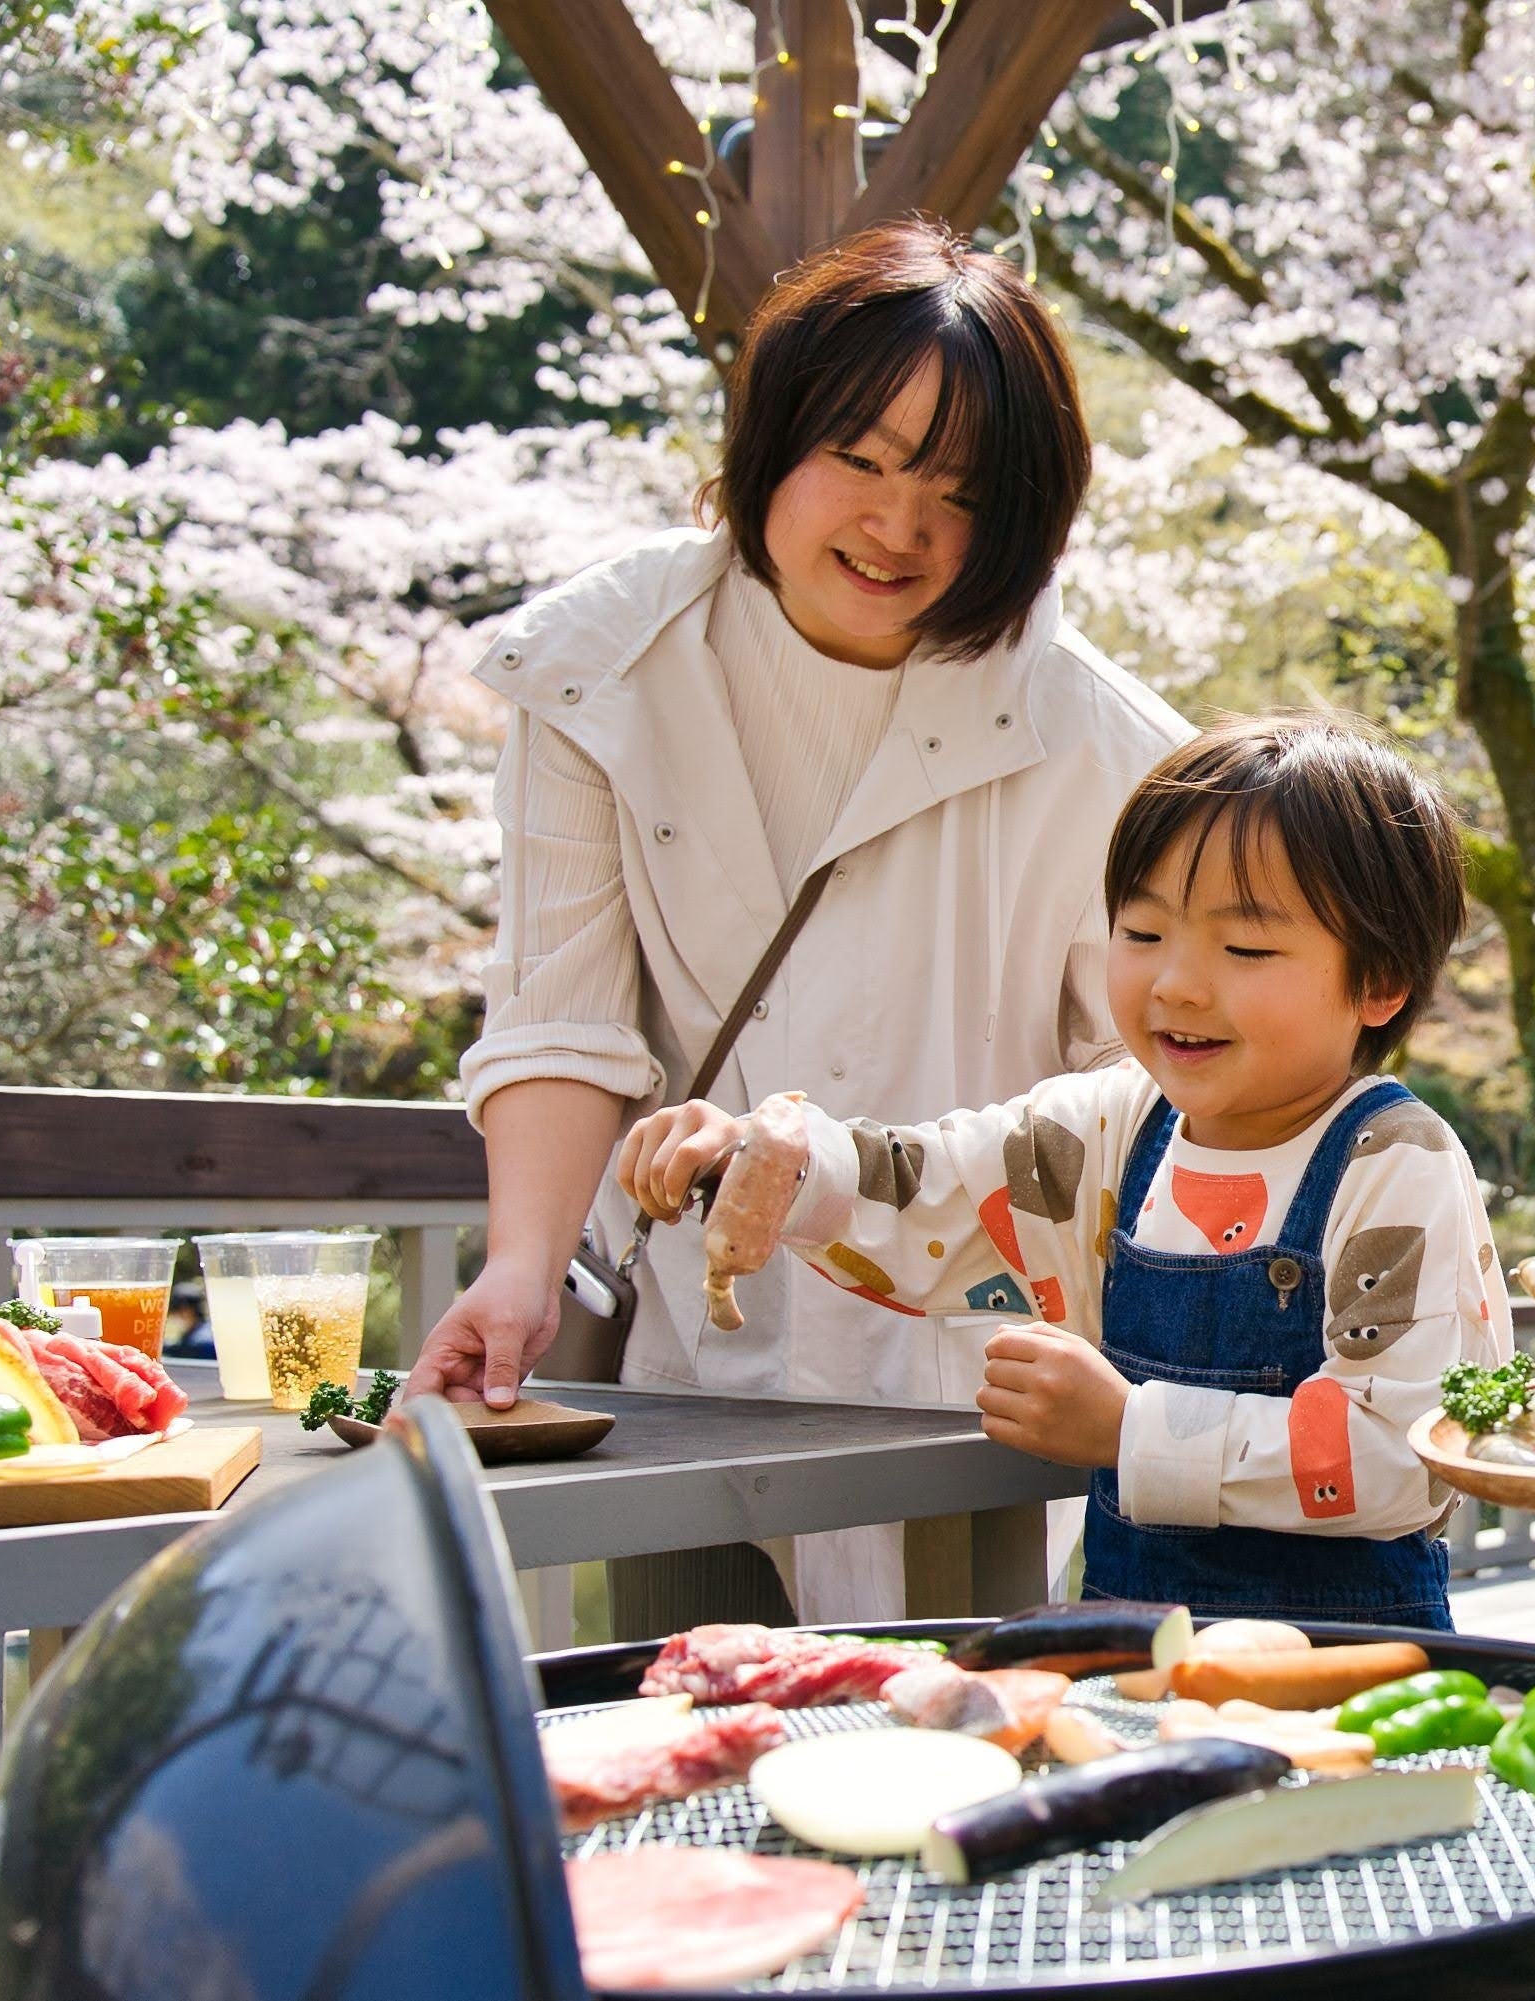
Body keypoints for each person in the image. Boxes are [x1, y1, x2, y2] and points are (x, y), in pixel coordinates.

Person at [407, 218, 1191, 1622]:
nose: (900, 528)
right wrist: (520, 1274)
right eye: (866, 461)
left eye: (958, 492)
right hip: (670, 1374)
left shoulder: (1110, 748)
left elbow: (1164, 1088)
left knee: (948, 1773)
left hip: (969, 1389)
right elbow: (563, 1013)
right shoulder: (602, 666)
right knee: (669, 1739)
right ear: (772, 440)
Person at [612, 713, 1509, 1628]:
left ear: (1379, 983)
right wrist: (765, 1160)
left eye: (1244, 949)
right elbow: (926, 1186)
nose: (1177, 985)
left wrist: (1129, 1430)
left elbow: (1410, 1453)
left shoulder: (1395, 1165)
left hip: (1349, 1666)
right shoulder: (1112, 1125)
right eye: (1143, 931)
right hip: (1133, 1649)